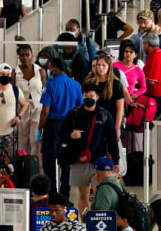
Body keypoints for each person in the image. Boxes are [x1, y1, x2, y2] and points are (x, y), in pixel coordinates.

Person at [62, 83, 119, 215]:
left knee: (100, 193)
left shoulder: (104, 115)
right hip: (78, 161)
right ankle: (86, 223)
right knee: (83, 195)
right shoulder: (73, 114)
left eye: (92, 96)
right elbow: (61, 134)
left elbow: (111, 139)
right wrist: (71, 135)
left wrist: (116, 161)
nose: (89, 98)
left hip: (99, 162)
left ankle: (99, 223)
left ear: (97, 97)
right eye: (86, 95)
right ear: (82, 96)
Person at [39, 57, 84, 197]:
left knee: (49, 161)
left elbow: (45, 110)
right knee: (66, 162)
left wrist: (41, 128)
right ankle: (65, 196)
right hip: (69, 126)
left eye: (50, 67)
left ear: (56, 68)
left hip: (53, 126)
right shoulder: (75, 84)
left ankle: (52, 195)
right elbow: (79, 107)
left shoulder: (50, 85)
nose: (49, 70)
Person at [13, 44, 47, 158]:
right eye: (22, 55)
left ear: (32, 56)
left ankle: (33, 163)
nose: (25, 57)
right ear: (19, 57)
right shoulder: (15, 72)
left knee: (34, 139)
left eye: (27, 55)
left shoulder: (40, 71)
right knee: (22, 139)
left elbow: (45, 90)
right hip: (21, 109)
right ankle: (22, 164)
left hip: (38, 108)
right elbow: (12, 92)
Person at [0, 63, 28, 167]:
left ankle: (8, 181)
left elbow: (24, 104)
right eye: (2, 74)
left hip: (10, 133)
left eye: (8, 74)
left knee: (9, 161)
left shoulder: (15, 90)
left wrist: (18, 116)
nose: (5, 76)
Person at [84, 55, 125, 138]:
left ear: (109, 67)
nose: (100, 68)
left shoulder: (116, 84)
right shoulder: (90, 83)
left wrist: (117, 128)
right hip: (94, 122)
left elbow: (120, 109)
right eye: (98, 65)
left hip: (111, 122)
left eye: (104, 65)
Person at [143, 33, 161, 119]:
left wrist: (137, 85)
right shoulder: (159, 55)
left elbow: (151, 81)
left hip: (155, 97)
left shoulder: (156, 57)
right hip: (157, 96)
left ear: (146, 44)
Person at [113, 39, 147, 104]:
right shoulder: (114, 65)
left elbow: (143, 88)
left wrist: (136, 94)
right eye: (126, 51)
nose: (128, 54)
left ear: (135, 55)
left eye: (131, 52)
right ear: (123, 53)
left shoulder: (138, 70)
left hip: (129, 102)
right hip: (115, 101)